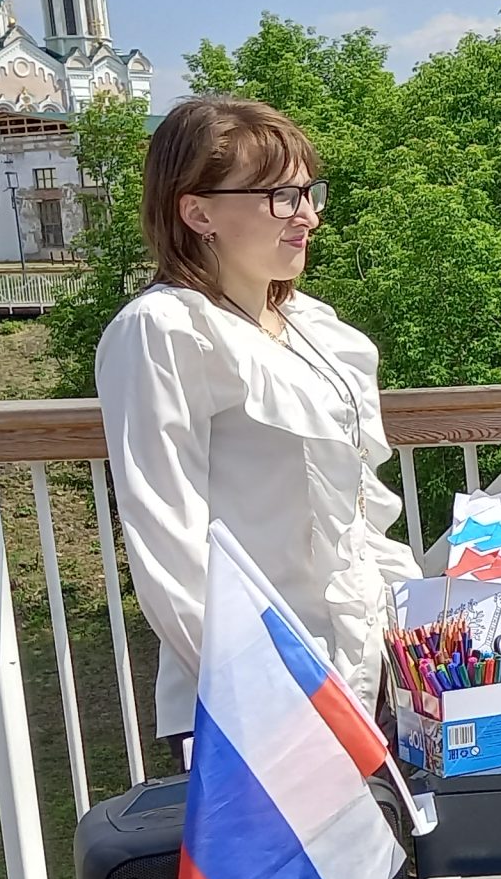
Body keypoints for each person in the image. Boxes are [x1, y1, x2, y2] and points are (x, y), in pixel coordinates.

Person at [98, 96, 422, 749]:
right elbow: (168, 548)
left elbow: (355, 521)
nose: (307, 216)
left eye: (309, 193)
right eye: (280, 196)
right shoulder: (164, 331)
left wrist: (417, 637)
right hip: (263, 709)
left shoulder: (311, 328)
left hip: (362, 681)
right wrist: (262, 699)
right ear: (197, 211)